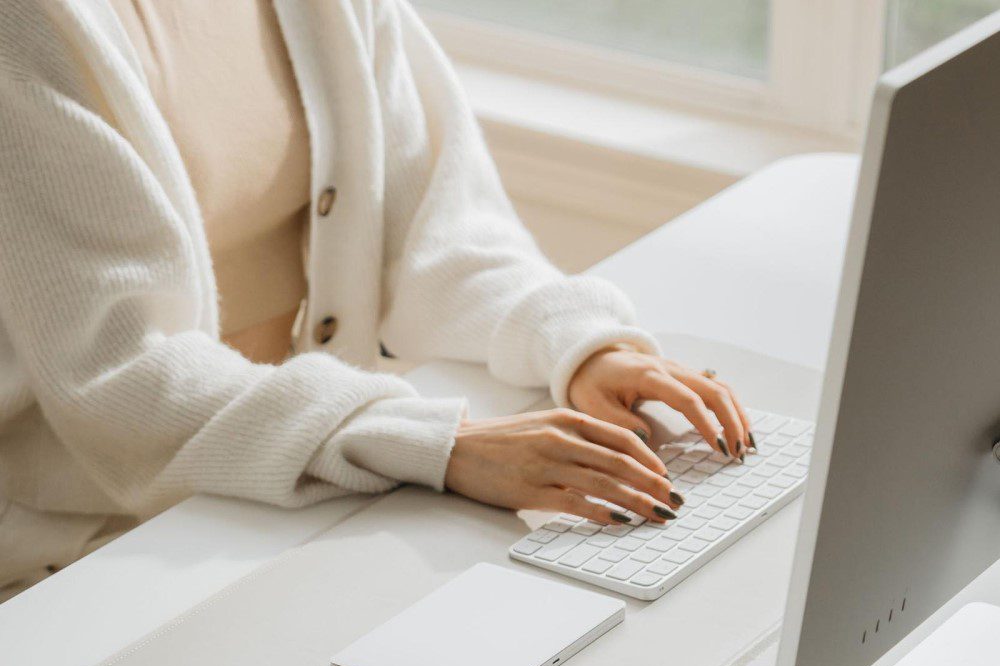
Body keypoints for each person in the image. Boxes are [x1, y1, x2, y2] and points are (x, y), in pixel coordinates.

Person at [0, 0, 752, 601]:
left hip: (285, 485)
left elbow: (440, 231)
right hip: (85, 543)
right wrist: (438, 444)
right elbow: (125, 374)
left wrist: (581, 343)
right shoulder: (24, 24)